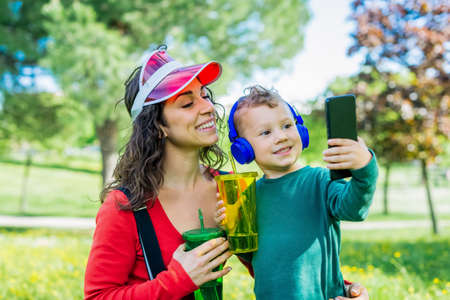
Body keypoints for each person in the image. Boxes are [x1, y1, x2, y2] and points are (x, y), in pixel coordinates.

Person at [84, 47, 370, 300]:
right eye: (187, 103)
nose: (208, 107)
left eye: (204, 96)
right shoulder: (126, 206)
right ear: (157, 127)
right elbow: (98, 296)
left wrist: (340, 289)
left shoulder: (233, 190)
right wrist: (177, 281)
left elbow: (276, 262)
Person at [216, 85, 378, 300]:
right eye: (266, 132)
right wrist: (230, 227)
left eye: (286, 126)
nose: (281, 137)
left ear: (301, 130)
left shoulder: (320, 181)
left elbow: (355, 209)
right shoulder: (248, 197)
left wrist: (364, 168)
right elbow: (250, 255)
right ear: (243, 149)